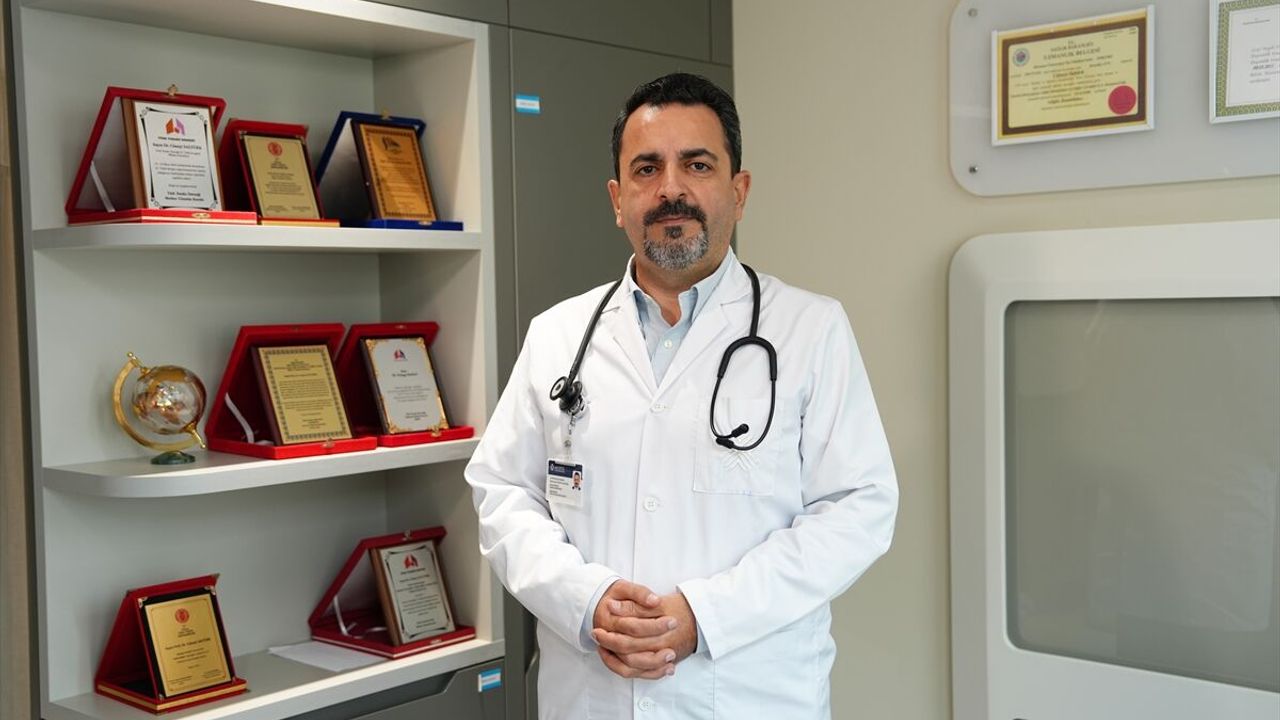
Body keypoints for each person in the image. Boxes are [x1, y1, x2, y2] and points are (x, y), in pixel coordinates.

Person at [465, 73, 898, 719]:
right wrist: (586, 600)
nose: (671, 188)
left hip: (749, 695)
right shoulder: (557, 334)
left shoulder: (811, 330)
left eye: (697, 164)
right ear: (618, 199)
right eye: (647, 168)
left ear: (738, 191)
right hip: (593, 696)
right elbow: (503, 491)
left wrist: (706, 615)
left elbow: (858, 507)